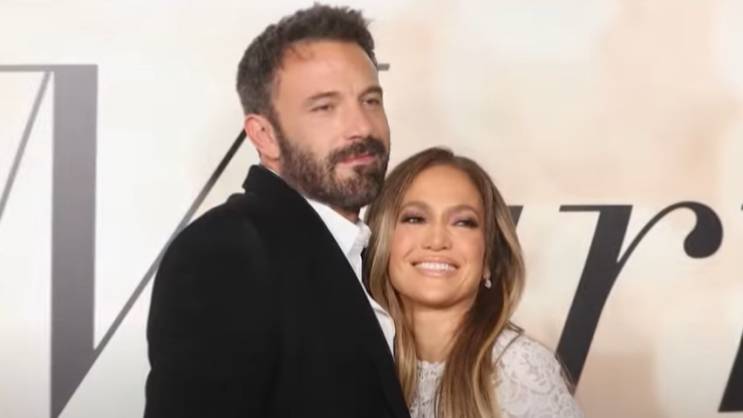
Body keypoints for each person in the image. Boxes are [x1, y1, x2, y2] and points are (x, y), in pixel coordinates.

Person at [145, 5, 409, 418]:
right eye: (325, 107)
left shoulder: (358, 256)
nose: (361, 125)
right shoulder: (225, 252)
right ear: (264, 135)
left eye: (371, 100)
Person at [365, 148, 584, 418]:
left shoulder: (518, 369)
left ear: (488, 256)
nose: (437, 240)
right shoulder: (355, 361)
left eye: (463, 222)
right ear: (382, 238)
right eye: (415, 218)